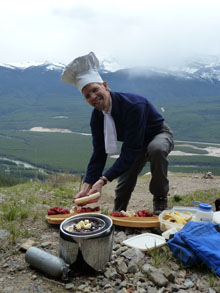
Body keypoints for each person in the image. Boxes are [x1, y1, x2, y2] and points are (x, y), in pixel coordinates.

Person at [61, 52, 174, 215]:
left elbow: (131, 149)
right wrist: (88, 183)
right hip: (136, 142)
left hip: (157, 134)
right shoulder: (97, 117)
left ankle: (160, 199)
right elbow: (99, 153)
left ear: (105, 86)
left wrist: (103, 180)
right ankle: (119, 213)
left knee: (156, 149)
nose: (93, 97)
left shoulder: (134, 105)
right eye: (87, 96)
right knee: (125, 179)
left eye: (95, 89)